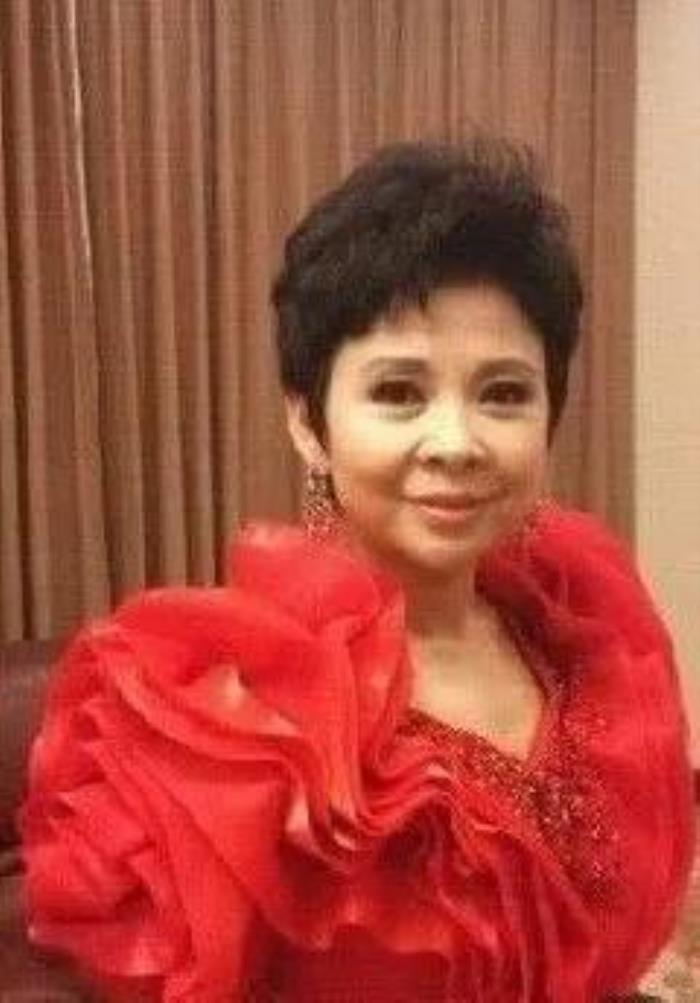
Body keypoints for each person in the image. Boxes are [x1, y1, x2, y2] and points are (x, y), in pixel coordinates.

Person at [21, 137, 694, 1002]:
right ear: (309, 423)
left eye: (504, 393)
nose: (455, 443)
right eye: (398, 392)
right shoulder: (222, 712)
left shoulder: (588, 630)